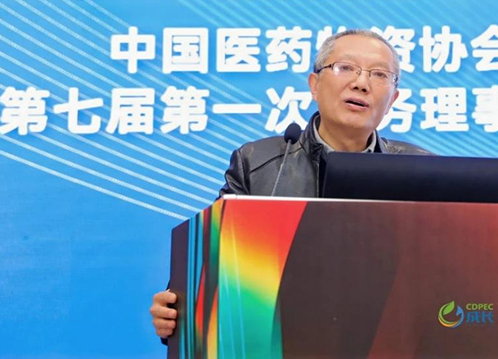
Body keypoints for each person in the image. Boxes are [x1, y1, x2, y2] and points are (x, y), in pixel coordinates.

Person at [149, 29, 431, 340]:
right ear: (314, 85)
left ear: (392, 100)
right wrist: (175, 310)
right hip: (283, 339)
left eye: (379, 74)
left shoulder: (420, 171)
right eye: (346, 67)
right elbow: (212, 266)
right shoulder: (257, 163)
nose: (361, 83)